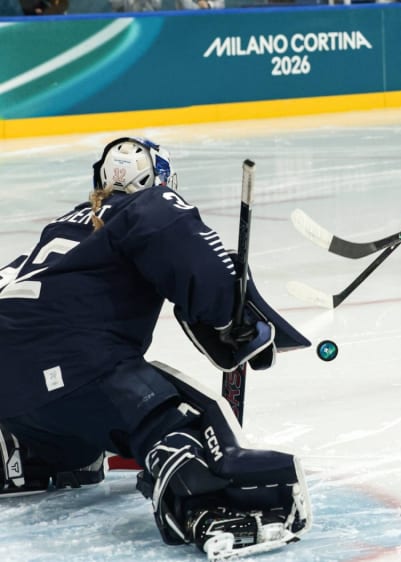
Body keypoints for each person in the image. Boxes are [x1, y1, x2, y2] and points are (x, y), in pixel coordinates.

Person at [0, 138, 312, 557]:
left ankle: (33, 457)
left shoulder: (65, 227)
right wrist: (231, 313)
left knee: (77, 431)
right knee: (184, 413)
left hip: (13, 384)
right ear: (156, 178)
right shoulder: (146, 205)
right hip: (76, 365)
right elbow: (180, 241)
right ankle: (204, 494)